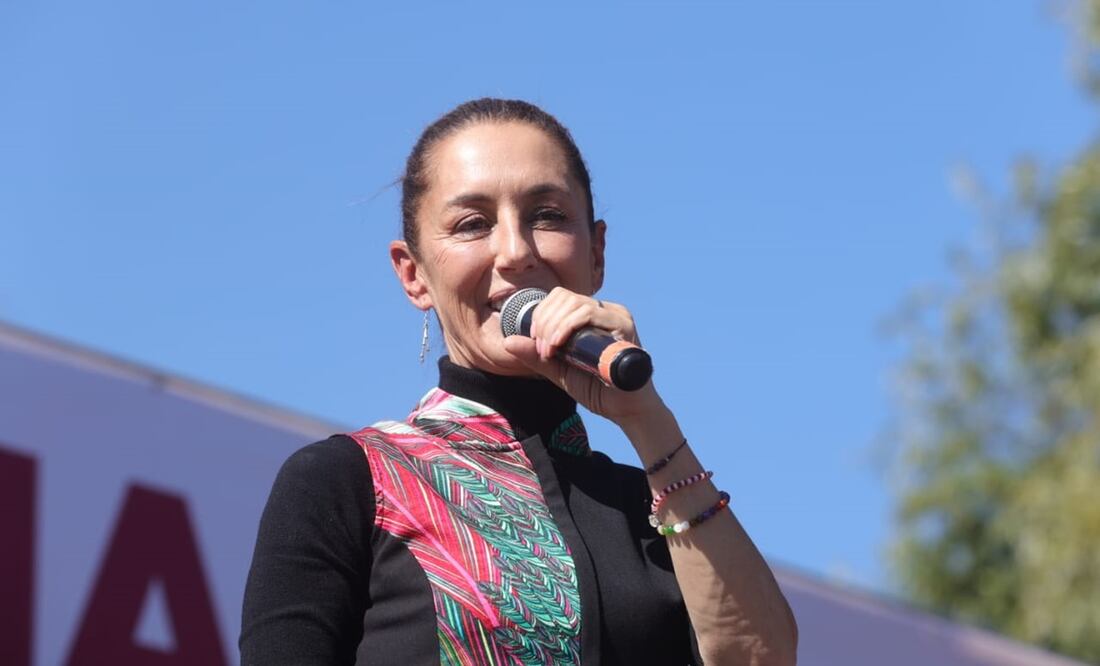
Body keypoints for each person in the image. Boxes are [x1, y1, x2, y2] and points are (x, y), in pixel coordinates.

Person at [240, 98, 798, 665]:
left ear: (597, 251)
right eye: (472, 224)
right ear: (413, 274)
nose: (516, 251)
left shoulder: (650, 508)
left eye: (548, 215)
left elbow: (760, 658)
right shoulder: (347, 481)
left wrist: (646, 418)